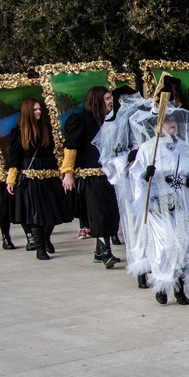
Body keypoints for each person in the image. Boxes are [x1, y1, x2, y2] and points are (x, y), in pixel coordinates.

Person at [131, 107, 189, 305]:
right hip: (159, 205)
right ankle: (163, 284)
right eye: (167, 120)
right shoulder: (149, 148)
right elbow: (136, 174)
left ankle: (179, 288)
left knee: (183, 244)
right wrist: (145, 176)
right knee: (165, 245)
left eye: (174, 120)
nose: (172, 123)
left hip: (183, 201)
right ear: (157, 124)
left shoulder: (185, 147)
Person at [92, 89, 154, 287]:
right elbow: (108, 159)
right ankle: (140, 268)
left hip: (149, 181)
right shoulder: (112, 123)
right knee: (135, 226)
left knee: (153, 224)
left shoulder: (144, 117)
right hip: (129, 183)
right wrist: (126, 161)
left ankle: (155, 265)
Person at [62, 86, 122, 267]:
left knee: (110, 212)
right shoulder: (80, 119)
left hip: (110, 173)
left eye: (110, 98)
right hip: (91, 175)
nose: (110, 101)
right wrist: (68, 173)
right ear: (96, 99)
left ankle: (99, 251)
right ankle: (105, 252)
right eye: (106, 98)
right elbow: (71, 147)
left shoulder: (110, 119)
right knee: (99, 213)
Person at [5, 99, 72, 259]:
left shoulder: (48, 129)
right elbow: (14, 158)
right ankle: (40, 248)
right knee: (36, 214)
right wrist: (11, 179)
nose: (38, 112)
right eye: (35, 110)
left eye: (39, 109)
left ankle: (46, 238)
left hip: (50, 175)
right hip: (31, 178)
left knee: (53, 211)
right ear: (28, 111)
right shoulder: (18, 132)